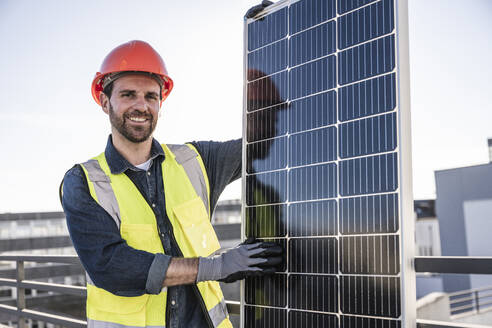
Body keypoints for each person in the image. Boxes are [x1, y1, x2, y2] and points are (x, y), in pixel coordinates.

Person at [60, 40, 282, 328]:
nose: (142, 105)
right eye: (128, 94)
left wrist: (268, 81)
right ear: (105, 102)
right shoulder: (83, 182)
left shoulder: (196, 161)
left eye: (151, 96)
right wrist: (219, 267)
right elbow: (112, 266)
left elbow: (262, 144)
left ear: (161, 103)